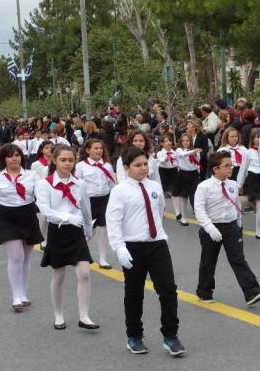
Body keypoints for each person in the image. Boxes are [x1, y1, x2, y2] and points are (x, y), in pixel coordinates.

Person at [105, 147, 185, 356]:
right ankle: (134, 336)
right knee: (134, 293)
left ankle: (171, 335)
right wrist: (120, 248)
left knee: (168, 289)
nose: (143, 168)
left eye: (145, 164)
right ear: (126, 168)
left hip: (157, 244)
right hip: (132, 247)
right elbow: (113, 221)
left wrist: (155, 233)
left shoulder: (154, 186)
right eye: (137, 165)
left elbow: (158, 211)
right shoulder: (119, 191)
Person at [35, 145, 98, 330]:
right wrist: (68, 217)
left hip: (77, 232)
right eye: (63, 160)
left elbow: (86, 209)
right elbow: (45, 211)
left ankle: (84, 316)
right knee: (58, 275)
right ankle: (58, 314)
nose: (67, 163)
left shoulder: (80, 184)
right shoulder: (44, 184)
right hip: (57, 231)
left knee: (84, 273)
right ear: (54, 160)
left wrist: (88, 230)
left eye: (71, 160)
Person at [194, 151, 260, 307]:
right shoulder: (204, 187)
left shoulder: (233, 185)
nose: (231, 168)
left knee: (238, 259)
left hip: (231, 227)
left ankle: (252, 292)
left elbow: (236, 206)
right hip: (211, 227)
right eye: (227, 166)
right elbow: (199, 210)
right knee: (208, 261)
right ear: (215, 169)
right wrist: (209, 227)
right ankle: (204, 291)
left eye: (231, 165)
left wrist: (238, 225)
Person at [0, 144, 44, 311]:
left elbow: (43, 195)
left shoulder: (32, 175)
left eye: (17, 155)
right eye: (10, 156)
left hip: (28, 215)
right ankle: (15, 295)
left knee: (25, 258)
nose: (14, 158)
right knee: (16, 257)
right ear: (4, 159)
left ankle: (23, 293)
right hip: (6, 217)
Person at [76, 139, 115, 269]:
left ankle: (103, 259)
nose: (99, 151)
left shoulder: (107, 165)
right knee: (88, 230)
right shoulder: (81, 165)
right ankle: (78, 250)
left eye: (101, 148)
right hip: (88, 201)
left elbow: (111, 184)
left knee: (103, 230)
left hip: (104, 200)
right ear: (88, 150)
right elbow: (76, 185)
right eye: (96, 148)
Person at [237, 128, 260, 241]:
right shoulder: (248, 152)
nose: (259, 139)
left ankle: (259, 232)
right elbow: (242, 169)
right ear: (253, 139)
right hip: (253, 179)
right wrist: (239, 185)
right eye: (257, 137)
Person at [172, 133, 203, 226]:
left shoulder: (194, 151)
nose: (185, 142)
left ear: (190, 141)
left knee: (197, 196)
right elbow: (182, 155)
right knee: (183, 197)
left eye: (187, 140)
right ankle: (183, 218)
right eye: (183, 140)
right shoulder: (179, 150)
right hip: (184, 174)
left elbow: (197, 163)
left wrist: (198, 173)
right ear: (180, 142)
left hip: (194, 174)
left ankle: (201, 218)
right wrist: (193, 151)